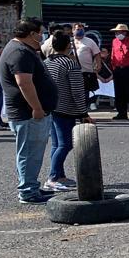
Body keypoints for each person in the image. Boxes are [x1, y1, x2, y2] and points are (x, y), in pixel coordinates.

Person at [0, 20, 57, 203]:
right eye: (40, 33)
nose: (43, 36)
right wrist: (37, 108)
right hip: (27, 114)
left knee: (32, 153)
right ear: (31, 34)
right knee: (29, 153)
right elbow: (24, 82)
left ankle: (31, 186)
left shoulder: (23, 50)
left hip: (28, 113)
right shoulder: (19, 52)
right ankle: (28, 192)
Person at [43, 33, 91, 192]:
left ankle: (60, 175)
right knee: (66, 144)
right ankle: (53, 177)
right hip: (66, 109)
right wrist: (84, 113)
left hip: (51, 108)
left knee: (56, 144)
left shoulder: (46, 62)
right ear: (68, 46)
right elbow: (77, 91)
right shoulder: (70, 64)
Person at [72, 23, 101, 103]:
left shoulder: (89, 41)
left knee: (85, 93)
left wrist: (98, 65)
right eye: (78, 29)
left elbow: (97, 54)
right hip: (72, 72)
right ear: (73, 30)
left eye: (82, 29)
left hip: (86, 71)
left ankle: (84, 111)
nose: (80, 30)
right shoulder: (69, 41)